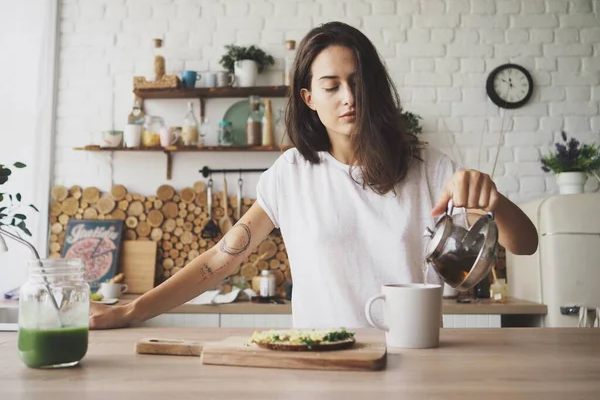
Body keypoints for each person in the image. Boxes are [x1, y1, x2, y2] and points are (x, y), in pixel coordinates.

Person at [90, 21, 538, 330]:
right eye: (331, 86)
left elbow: (527, 243)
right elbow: (217, 262)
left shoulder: (429, 168)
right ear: (308, 98)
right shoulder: (290, 174)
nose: (349, 97)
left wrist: (493, 200)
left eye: (358, 82)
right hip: (321, 360)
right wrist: (133, 311)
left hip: (414, 359)